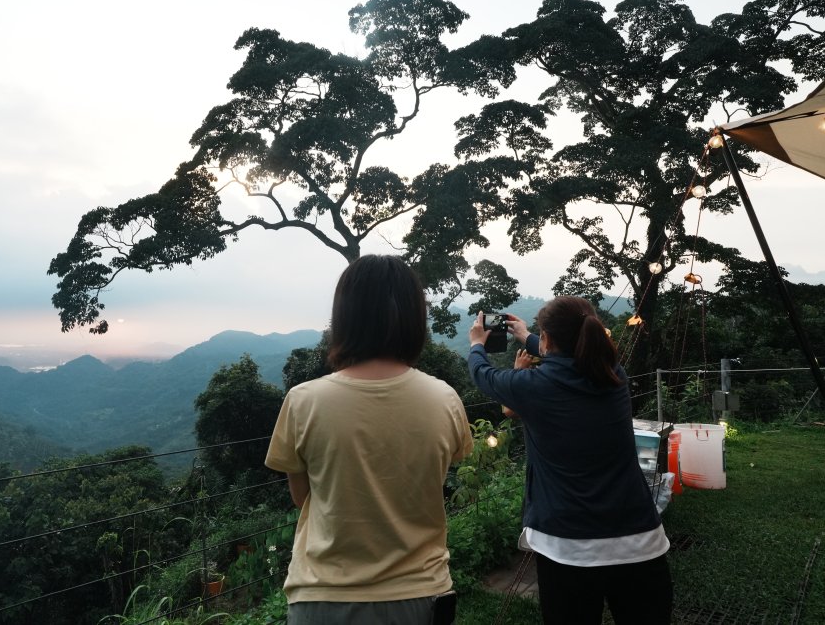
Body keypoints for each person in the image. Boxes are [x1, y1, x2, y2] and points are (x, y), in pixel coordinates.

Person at [266, 254, 474, 625]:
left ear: (344, 317)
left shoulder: (304, 400)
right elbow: (434, 479)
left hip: (322, 597)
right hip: (420, 597)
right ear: (415, 319)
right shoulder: (444, 399)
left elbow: (303, 498)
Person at [468, 296, 673, 625]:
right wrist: (525, 335)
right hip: (640, 542)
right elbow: (574, 354)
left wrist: (478, 343)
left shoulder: (534, 386)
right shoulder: (613, 375)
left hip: (567, 548)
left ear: (548, 339)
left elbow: (482, 374)